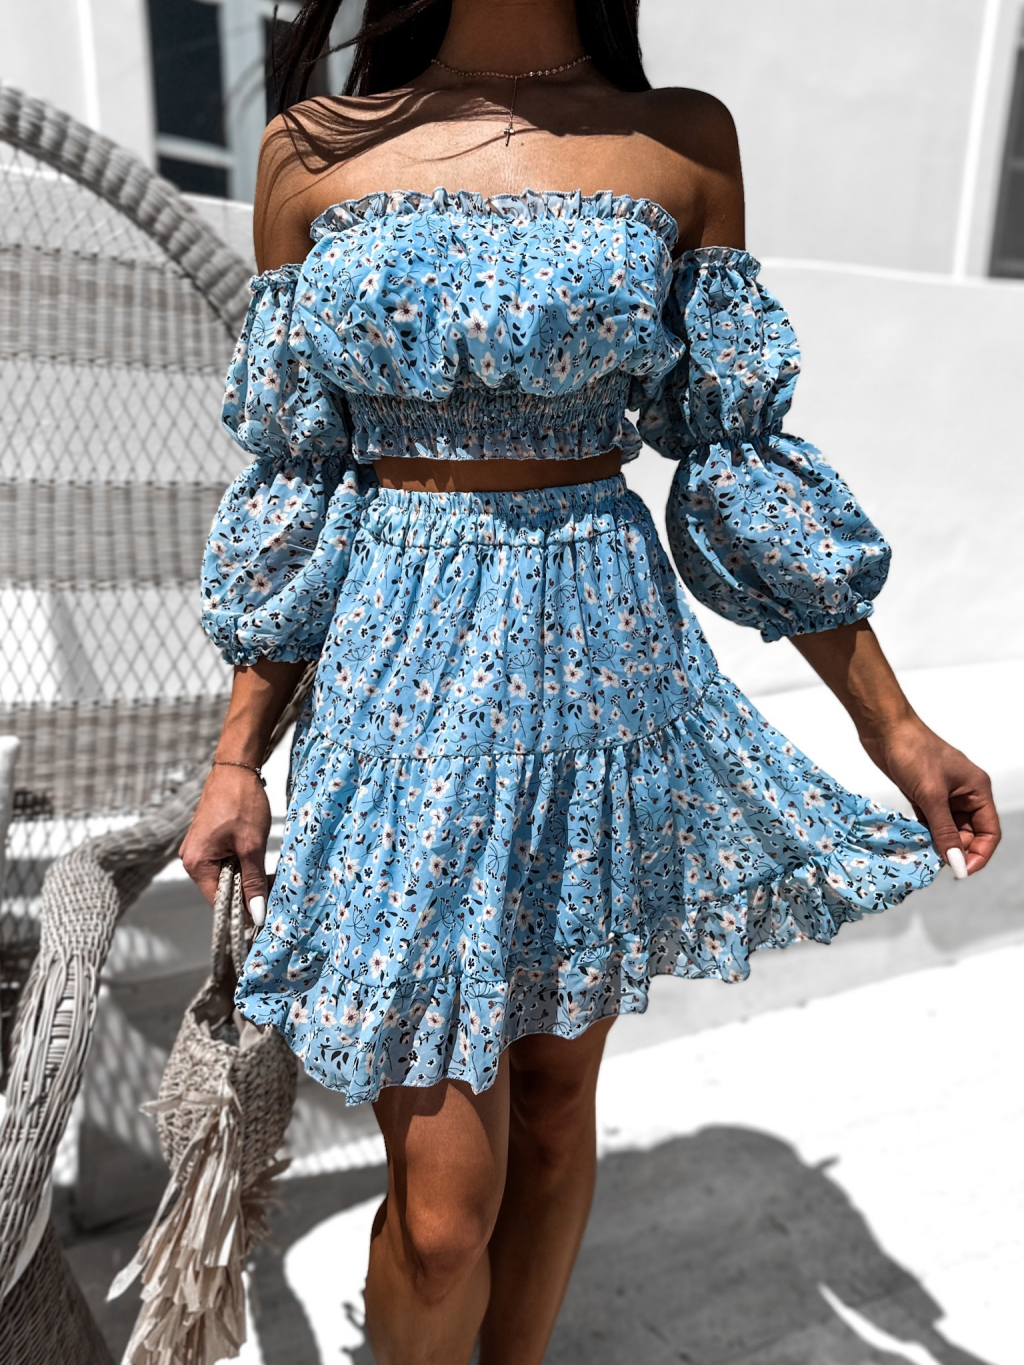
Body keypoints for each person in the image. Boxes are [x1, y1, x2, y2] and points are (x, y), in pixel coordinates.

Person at [179, 2, 1001, 1361]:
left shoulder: (682, 142)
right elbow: (298, 482)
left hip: (603, 668)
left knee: (558, 1107)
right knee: (444, 1212)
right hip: (403, 689)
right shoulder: (313, 151)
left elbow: (735, 461)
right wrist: (236, 758)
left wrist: (896, 728)